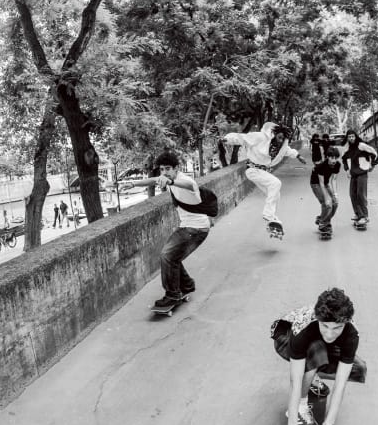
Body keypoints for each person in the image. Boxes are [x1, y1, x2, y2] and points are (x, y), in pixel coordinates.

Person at [272, 287, 366, 425]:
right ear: (318, 319)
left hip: (317, 343)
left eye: (337, 328)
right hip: (285, 337)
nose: (330, 333)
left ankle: (312, 374)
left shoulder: (352, 334)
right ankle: (302, 405)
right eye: (325, 326)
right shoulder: (303, 329)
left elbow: (340, 385)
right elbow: (295, 382)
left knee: (358, 368)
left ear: (346, 323)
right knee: (318, 351)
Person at [118, 152, 212, 310]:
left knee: (167, 256)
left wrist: (171, 181)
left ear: (176, 168)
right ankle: (187, 285)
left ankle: (172, 295)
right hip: (190, 226)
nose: (164, 172)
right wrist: (133, 184)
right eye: (162, 169)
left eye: (168, 169)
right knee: (172, 256)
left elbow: (190, 185)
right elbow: (153, 180)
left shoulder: (185, 180)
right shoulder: (166, 178)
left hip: (195, 228)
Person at [220, 121, 302, 238]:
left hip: (263, 172)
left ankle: (272, 221)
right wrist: (227, 139)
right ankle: (268, 214)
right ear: (274, 134)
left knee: (276, 195)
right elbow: (242, 138)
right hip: (253, 170)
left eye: (282, 139)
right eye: (279, 137)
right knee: (276, 183)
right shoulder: (260, 137)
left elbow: (287, 150)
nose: (280, 140)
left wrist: (298, 155)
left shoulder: (280, 145)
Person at [342, 130, 378, 229]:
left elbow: (374, 153)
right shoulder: (347, 148)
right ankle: (358, 214)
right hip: (353, 174)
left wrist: (372, 165)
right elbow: (344, 159)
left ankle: (364, 216)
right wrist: (347, 170)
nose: (351, 138)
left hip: (362, 173)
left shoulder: (361, 145)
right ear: (347, 138)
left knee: (360, 194)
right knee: (352, 194)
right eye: (349, 137)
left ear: (356, 137)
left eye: (353, 136)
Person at [309, 134, 341, 234]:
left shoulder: (337, 165)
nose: (334, 160)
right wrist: (327, 197)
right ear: (327, 157)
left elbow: (334, 180)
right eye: (332, 158)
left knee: (335, 203)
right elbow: (321, 183)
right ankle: (324, 224)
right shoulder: (321, 166)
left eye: (336, 158)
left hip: (326, 183)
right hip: (316, 184)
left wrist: (335, 194)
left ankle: (322, 219)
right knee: (326, 203)